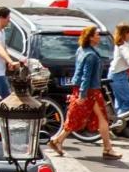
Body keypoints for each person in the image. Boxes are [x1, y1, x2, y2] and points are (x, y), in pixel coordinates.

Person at [51, 24, 119, 160]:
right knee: (102, 118)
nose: (99, 37)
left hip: (83, 89)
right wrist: (83, 94)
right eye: (97, 35)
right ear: (91, 38)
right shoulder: (91, 56)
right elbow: (86, 76)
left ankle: (58, 140)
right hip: (91, 91)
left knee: (77, 116)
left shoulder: (81, 50)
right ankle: (107, 149)